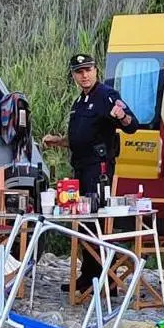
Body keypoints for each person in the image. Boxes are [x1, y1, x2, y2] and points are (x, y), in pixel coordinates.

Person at [42, 53, 139, 293]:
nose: (84, 75)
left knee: (96, 221)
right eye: (79, 71)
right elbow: (81, 138)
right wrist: (58, 141)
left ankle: (106, 279)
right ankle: (89, 275)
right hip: (81, 168)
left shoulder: (106, 96)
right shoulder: (80, 102)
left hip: (99, 169)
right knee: (84, 223)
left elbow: (132, 125)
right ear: (74, 75)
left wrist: (122, 117)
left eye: (88, 70)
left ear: (96, 70)